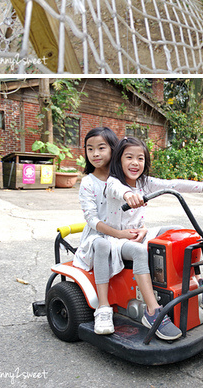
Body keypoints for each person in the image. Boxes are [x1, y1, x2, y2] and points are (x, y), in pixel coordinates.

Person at [104, 137, 203, 340]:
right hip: (116, 240)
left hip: (138, 233)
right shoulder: (114, 183)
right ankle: (152, 311)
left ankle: (196, 283)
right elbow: (117, 190)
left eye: (140, 158)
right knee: (140, 252)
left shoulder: (143, 183)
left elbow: (173, 184)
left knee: (182, 233)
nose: (135, 163)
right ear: (119, 160)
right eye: (129, 157)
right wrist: (128, 195)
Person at [69, 127, 126, 335]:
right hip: (98, 236)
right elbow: (91, 220)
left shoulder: (122, 177)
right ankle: (103, 307)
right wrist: (118, 234)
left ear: (113, 149)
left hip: (124, 231)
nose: (95, 154)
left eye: (101, 148)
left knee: (165, 237)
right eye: (90, 149)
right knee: (103, 245)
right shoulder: (87, 183)